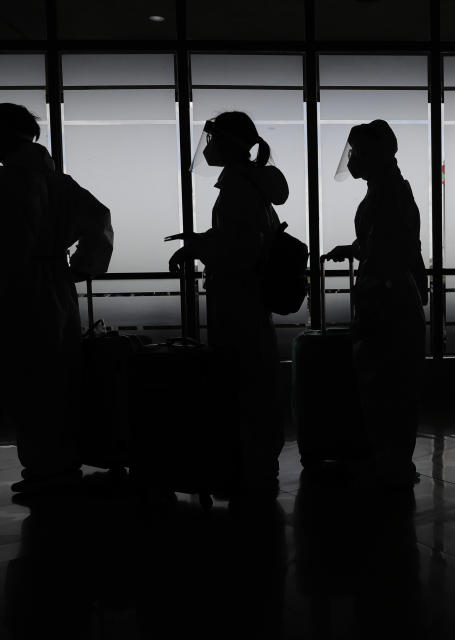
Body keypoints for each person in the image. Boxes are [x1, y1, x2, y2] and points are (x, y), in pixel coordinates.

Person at [0, 103, 113, 495]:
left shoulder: (3, 184)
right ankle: (62, 463)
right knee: (60, 376)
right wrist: (80, 268)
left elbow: (4, 254)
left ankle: (43, 469)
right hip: (59, 286)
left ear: (2, 135)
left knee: (25, 378)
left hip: (22, 289)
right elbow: (99, 222)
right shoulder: (61, 184)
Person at [168, 111, 287, 500]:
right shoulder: (250, 185)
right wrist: (202, 240)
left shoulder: (237, 188)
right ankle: (257, 470)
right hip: (248, 304)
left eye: (214, 140)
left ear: (229, 145)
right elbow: (241, 238)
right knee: (255, 383)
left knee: (244, 385)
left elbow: (238, 250)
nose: (209, 148)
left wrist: (199, 247)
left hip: (237, 304)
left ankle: (250, 472)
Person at [325, 119, 428, 489]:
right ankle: (391, 460)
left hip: (386, 301)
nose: (351, 159)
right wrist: (351, 248)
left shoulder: (386, 194)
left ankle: (391, 462)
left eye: (356, 152)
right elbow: (385, 241)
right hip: (391, 297)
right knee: (390, 383)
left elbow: (386, 247)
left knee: (386, 384)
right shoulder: (389, 190)